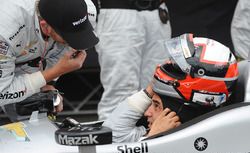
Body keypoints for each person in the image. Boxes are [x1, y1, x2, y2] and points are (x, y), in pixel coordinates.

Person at [103, 33, 239, 143]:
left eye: (156, 105)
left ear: (182, 111)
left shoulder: (213, 143)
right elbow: (112, 135)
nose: (147, 113)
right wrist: (154, 86)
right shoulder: (160, 129)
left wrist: (152, 141)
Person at [0, 0, 99, 112]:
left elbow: (65, 48)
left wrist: (47, 84)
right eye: (68, 37)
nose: (75, 43)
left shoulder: (85, 9)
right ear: (45, 27)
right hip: (8, 50)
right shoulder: (5, 30)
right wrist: (56, 71)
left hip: (25, 54)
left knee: (39, 103)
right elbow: (1, 93)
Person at [95, 0, 172, 120]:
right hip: (119, 11)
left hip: (157, 10)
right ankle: (113, 137)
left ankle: (152, 135)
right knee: (121, 88)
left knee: (157, 87)